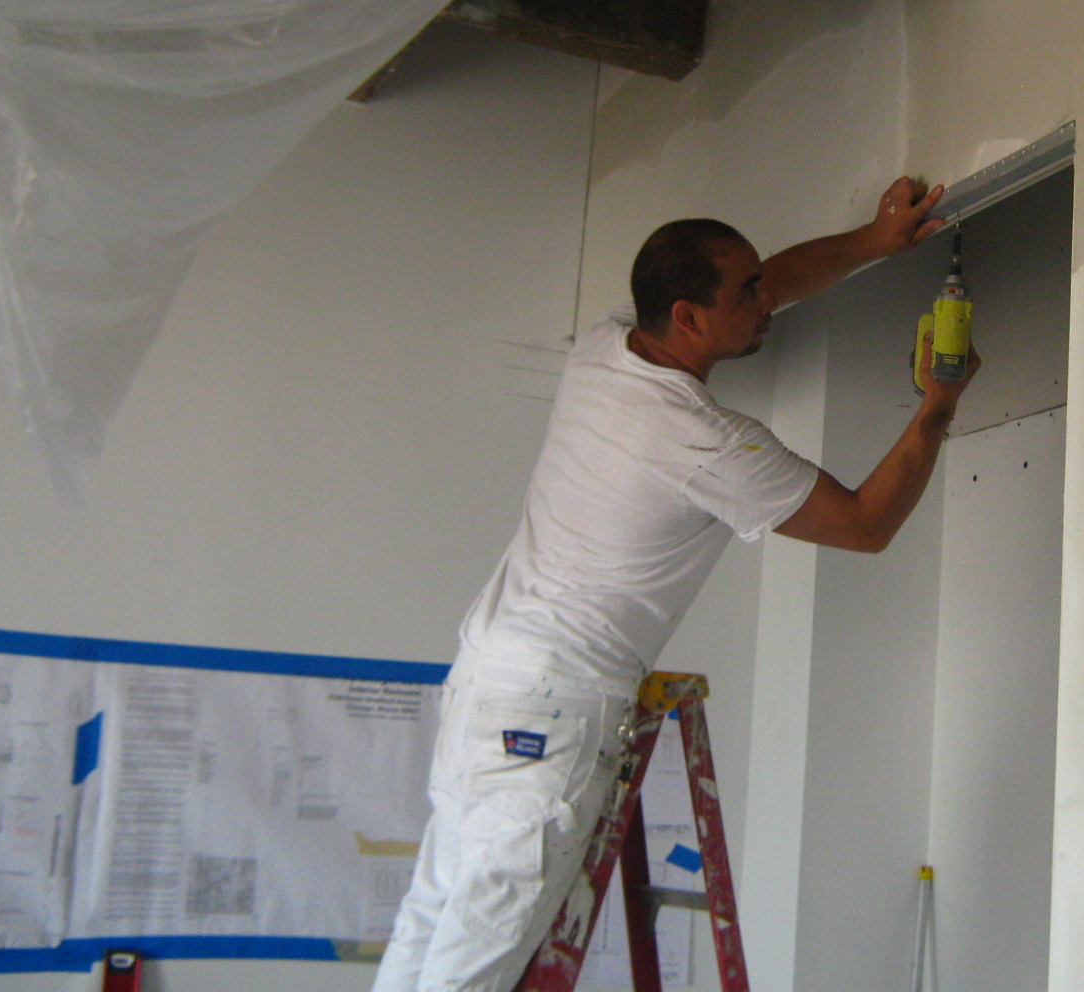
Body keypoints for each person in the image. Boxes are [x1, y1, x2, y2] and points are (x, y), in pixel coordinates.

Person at [372, 177, 979, 992]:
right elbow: (866, 525)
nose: (766, 301)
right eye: (747, 292)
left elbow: (779, 281)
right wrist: (937, 406)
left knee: (433, 922)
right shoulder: (706, 443)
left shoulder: (605, 346)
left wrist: (874, 240)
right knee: (471, 970)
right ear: (688, 317)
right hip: (555, 712)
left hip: (487, 681)